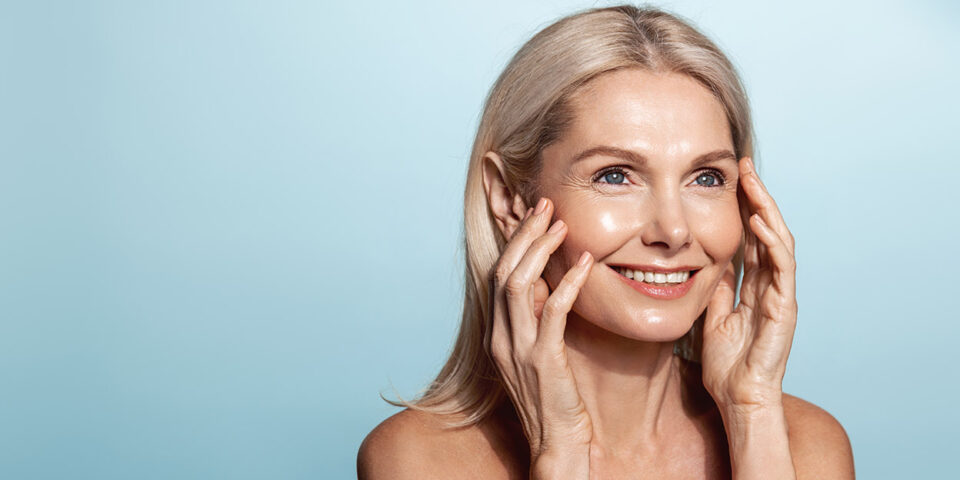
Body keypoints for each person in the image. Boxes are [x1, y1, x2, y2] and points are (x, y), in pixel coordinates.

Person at [357, 4, 854, 479]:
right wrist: (561, 454)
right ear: (509, 199)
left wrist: (752, 419)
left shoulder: (805, 444)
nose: (674, 231)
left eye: (704, 178)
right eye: (615, 176)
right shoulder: (419, 460)